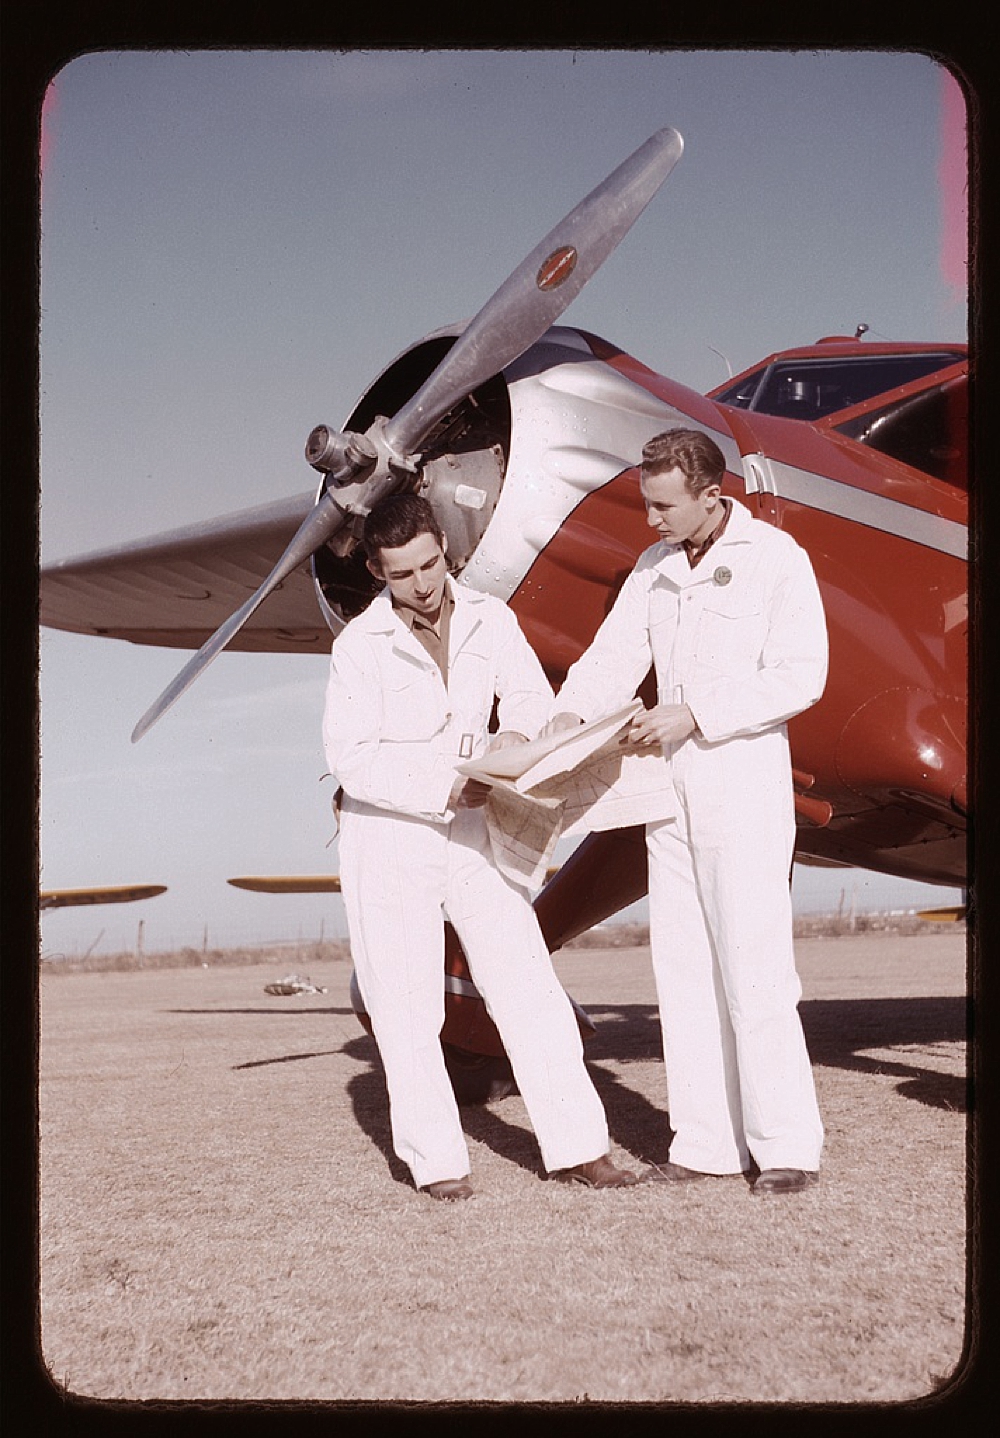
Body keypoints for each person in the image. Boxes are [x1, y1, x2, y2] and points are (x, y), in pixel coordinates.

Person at [322, 493, 637, 1200]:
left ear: (445, 549)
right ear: (377, 570)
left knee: (527, 982)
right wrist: (442, 782)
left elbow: (525, 695)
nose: (423, 584)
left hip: (474, 831)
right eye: (402, 575)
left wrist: (518, 742)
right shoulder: (357, 648)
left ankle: (582, 1149)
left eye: (431, 564)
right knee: (406, 1007)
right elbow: (350, 758)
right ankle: (438, 1166)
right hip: (390, 838)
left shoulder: (492, 619)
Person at [544, 428, 828, 1196]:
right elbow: (610, 658)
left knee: (754, 967)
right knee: (683, 968)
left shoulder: (776, 559)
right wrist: (565, 722)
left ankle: (787, 1149)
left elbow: (802, 675)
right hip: (667, 795)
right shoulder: (654, 567)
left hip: (740, 784)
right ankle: (705, 1147)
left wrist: (695, 712)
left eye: (662, 506)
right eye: (646, 504)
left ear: (711, 494)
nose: (650, 521)